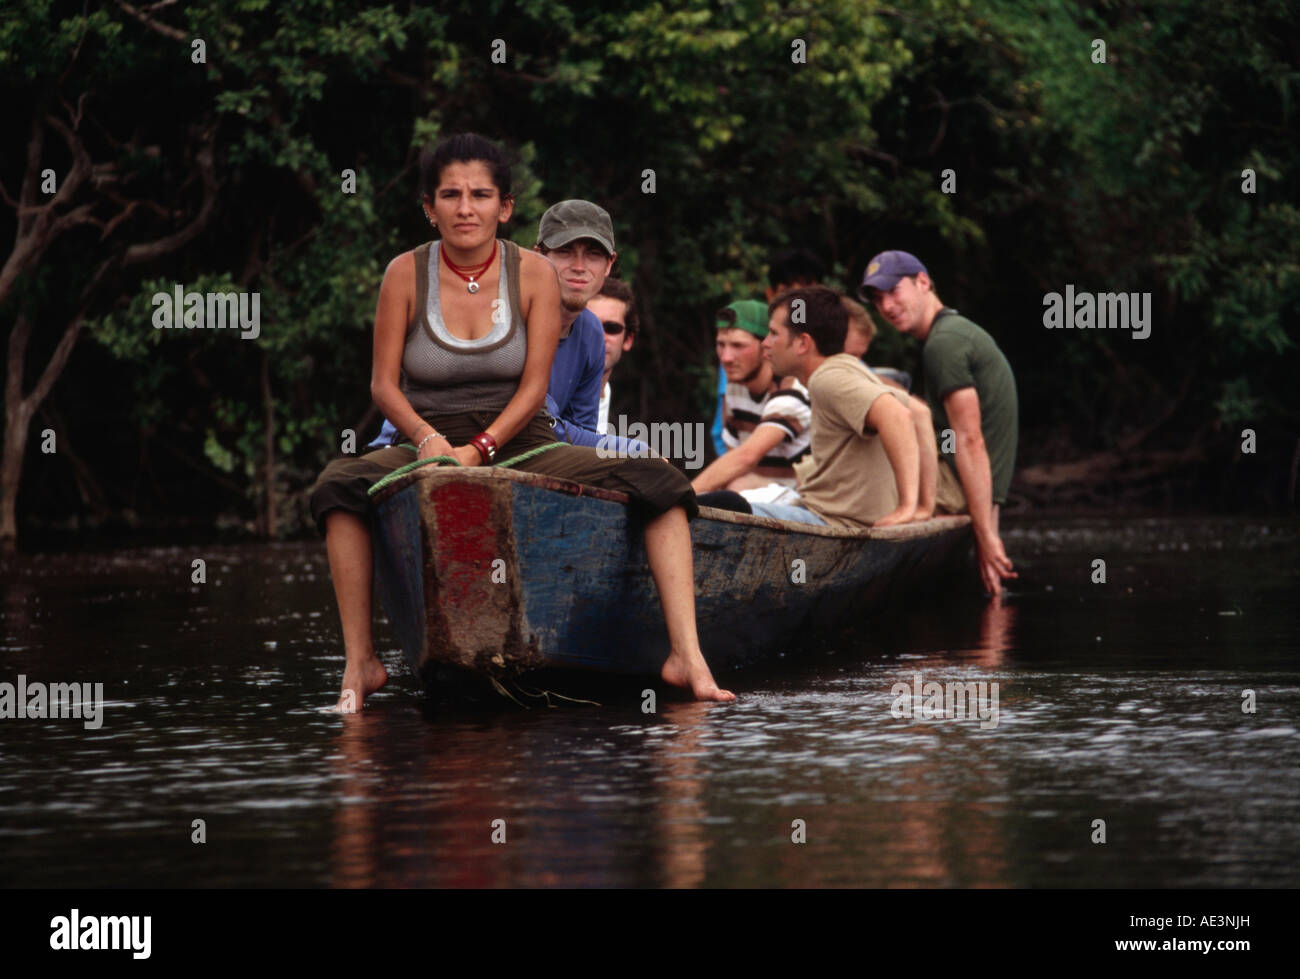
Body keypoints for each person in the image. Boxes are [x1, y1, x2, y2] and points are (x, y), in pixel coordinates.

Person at [310, 133, 733, 708]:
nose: (466, 208)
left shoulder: (532, 272)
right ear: (429, 208)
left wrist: (479, 449)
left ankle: (686, 655)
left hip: (519, 439)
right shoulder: (403, 274)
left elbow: (535, 389)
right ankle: (361, 663)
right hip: (425, 437)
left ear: (504, 207)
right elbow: (384, 386)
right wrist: (431, 441)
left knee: (658, 476)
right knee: (337, 485)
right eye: (451, 195)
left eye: (481, 195)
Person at [366, 198, 647, 456]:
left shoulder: (591, 333)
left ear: (609, 265)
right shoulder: (506, 313)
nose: (579, 266)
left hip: (526, 450)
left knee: (655, 478)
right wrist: (632, 450)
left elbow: (580, 432)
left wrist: (632, 454)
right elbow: (543, 422)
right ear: (539, 257)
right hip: (436, 443)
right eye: (564, 252)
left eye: (593, 255)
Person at [859, 250, 1019, 596]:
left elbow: (970, 440)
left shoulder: (945, 343)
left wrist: (987, 536)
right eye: (877, 298)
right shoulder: (952, 333)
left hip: (962, 486)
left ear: (923, 282)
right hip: (975, 485)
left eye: (893, 291)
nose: (886, 306)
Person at [753, 286, 923, 529]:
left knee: (722, 504)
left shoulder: (827, 379)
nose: (765, 344)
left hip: (832, 521)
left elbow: (898, 415)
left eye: (773, 334)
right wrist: (924, 506)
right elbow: (921, 413)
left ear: (802, 343)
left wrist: (908, 506)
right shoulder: (848, 368)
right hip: (833, 513)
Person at [710, 248, 825, 457]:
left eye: (807, 289)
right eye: (788, 290)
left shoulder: (834, 341)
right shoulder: (746, 345)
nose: (798, 300)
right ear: (771, 295)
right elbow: (725, 424)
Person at [691, 300, 811, 495]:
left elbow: (746, 457)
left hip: (806, 503)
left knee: (733, 489)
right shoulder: (735, 388)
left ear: (766, 347)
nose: (726, 357)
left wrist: (682, 497)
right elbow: (732, 465)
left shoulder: (791, 389)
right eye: (721, 345)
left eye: (738, 345)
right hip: (762, 493)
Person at [843, 295, 937, 520]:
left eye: (858, 356)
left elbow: (920, 413)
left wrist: (918, 506)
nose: (855, 362)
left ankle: (919, 504)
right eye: (851, 355)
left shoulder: (851, 376)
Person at [587, 277, 637, 435]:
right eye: (590, 325)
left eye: (612, 328)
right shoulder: (549, 391)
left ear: (628, 340)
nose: (599, 336)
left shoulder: (608, 393)